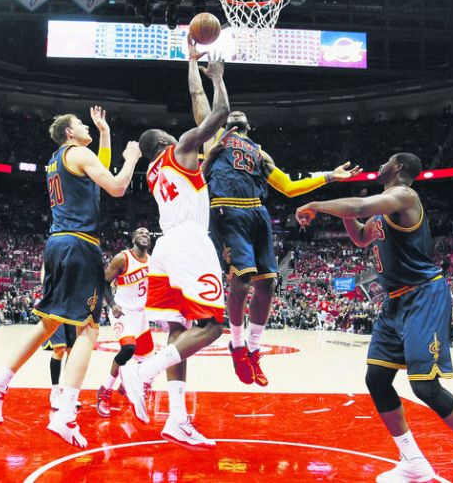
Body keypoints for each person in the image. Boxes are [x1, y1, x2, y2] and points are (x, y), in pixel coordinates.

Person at [295, 152, 453, 482]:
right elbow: (360, 235)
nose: (381, 164)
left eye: (386, 161)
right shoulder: (380, 211)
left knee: (425, 386)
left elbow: (360, 208)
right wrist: (341, 205)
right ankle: (413, 461)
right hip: (394, 302)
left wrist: (316, 204)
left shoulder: (404, 196)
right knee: (376, 379)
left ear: (398, 167)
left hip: (423, 294)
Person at [186, 36, 358, 387]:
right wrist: (196, 66)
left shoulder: (260, 154)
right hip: (227, 211)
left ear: (249, 125)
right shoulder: (215, 139)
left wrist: (329, 176)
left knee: (268, 283)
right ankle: (235, 346)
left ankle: (253, 349)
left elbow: (290, 188)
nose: (234, 114)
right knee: (242, 278)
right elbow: (198, 100)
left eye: (238, 115)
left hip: (257, 213)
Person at [0, 105, 142, 449]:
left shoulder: (59, 160)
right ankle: (64, 415)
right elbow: (117, 186)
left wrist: (105, 131)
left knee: (48, 324)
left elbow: (98, 167)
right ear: (69, 132)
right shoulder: (79, 153)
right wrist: (133, 157)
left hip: (57, 243)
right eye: (82, 124)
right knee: (89, 329)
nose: (87, 128)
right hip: (81, 246)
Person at [118, 54, 230, 449]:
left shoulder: (154, 170)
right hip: (190, 241)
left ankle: (177, 420)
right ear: (166, 142)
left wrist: (190, 58)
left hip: (166, 247)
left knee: (179, 331)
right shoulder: (181, 148)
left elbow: (211, 150)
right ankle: (142, 372)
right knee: (213, 325)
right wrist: (216, 77)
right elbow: (220, 115)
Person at [96, 227, 155, 418]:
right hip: (122, 311)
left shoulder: (152, 261)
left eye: (147, 233)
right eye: (140, 233)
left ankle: (126, 386)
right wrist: (111, 304)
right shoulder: (122, 258)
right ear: (133, 238)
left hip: (141, 314)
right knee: (128, 349)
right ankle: (105, 391)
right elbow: (103, 282)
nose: (145, 235)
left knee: (148, 360)